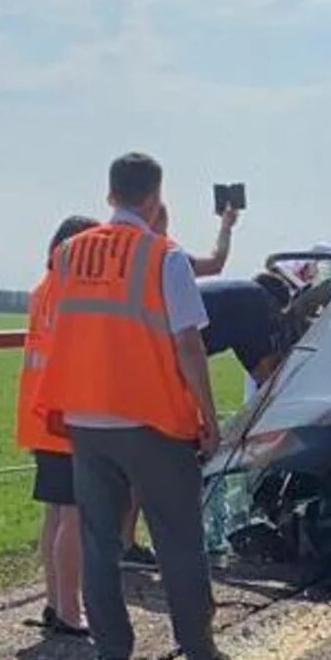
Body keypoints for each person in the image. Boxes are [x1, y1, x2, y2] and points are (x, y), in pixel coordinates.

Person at [34, 152, 229, 660]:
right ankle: (199, 652)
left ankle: (112, 653)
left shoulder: (69, 254)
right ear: (154, 198)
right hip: (152, 418)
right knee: (177, 536)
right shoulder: (162, 256)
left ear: (109, 194)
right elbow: (188, 343)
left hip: (84, 419)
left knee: (100, 539)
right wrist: (207, 415)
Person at [115, 201, 240, 568]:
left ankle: (119, 540)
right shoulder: (168, 258)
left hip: (114, 377)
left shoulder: (119, 258)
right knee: (153, 469)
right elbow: (216, 264)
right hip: (158, 380)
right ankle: (163, 548)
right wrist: (227, 226)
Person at [15, 215, 99, 637]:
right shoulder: (73, 293)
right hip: (67, 414)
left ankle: (54, 602)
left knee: (55, 513)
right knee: (75, 515)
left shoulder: (43, 288)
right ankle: (70, 608)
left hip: (41, 414)